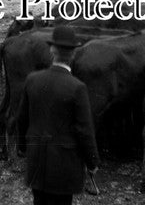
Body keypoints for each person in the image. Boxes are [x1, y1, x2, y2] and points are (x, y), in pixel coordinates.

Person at [16, 25, 100, 205]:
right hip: (64, 167)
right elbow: (85, 130)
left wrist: (23, 147)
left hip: (37, 161)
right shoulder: (77, 88)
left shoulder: (32, 80)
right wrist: (92, 162)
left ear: (52, 49)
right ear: (74, 53)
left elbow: (21, 119)